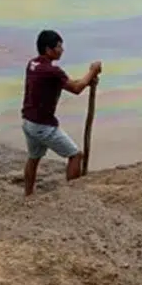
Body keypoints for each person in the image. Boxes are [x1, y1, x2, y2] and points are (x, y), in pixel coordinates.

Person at [21, 29, 101, 196]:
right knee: (75, 155)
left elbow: (73, 83)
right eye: (58, 47)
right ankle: (72, 196)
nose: (62, 50)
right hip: (43, 125)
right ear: (48, 50)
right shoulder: (52, 72)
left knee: (34, 158)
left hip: (28, 122)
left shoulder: (33, 64)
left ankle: (28, 195)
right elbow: (76, 88)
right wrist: (92, 71)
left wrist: (87, 80)